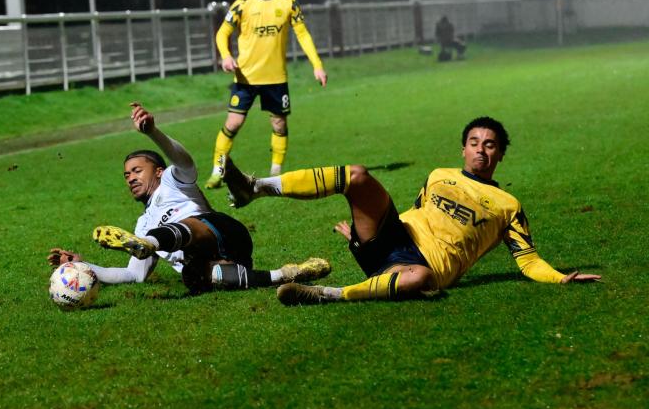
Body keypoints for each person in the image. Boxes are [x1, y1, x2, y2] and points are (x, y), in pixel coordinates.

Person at [222, 116, 601, 305]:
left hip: (418, 269)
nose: (481, 150)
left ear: (500, 154)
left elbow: (528, 261)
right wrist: (362, 230)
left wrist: (560, 278)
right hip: (389, 240)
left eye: (490, 145)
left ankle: (327, 293)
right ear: (463, 149)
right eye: (474, 142)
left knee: (419, 278)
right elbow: (416, 213)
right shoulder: (439, 175)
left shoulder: (508, 206)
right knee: (356, 176)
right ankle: (255, 188)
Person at [48, 102, 331, 294]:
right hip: (223, 263)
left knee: (187, 227)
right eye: (126, 175)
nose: (130, 177)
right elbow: (133, 275)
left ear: (159, 171)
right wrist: (81, 267)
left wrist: (154, 133)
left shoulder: (173, 181)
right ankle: (286, 274)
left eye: (136, 170)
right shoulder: (142, 223)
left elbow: (184, 162)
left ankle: (153, 244)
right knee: (192, 277)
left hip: (223, 232)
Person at [205, 0, 328, 189]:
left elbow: (303, 34)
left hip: (275, 78)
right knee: (233, 124)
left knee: (278, 125)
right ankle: (217, 171)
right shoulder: (242, 4)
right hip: (246, 77)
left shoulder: (288, 2)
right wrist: (226, 55)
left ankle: (275, 171)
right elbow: (222, 33)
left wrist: (317, 65)